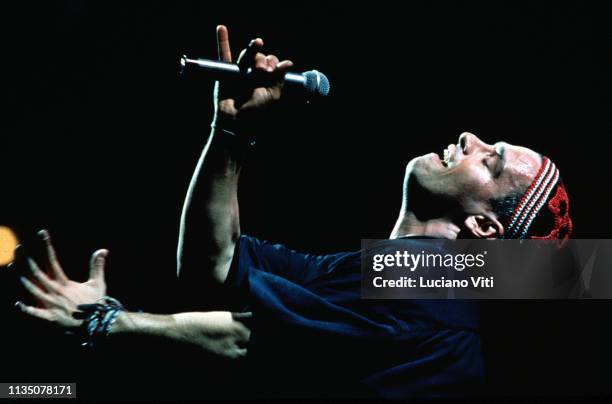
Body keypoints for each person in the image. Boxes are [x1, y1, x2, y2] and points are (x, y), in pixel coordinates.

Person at [13, 25, 572, 398]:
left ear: (483, 227)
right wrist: (229, 130)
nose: (470, 138)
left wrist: (109, 322)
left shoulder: (429, 293)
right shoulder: (377, 276)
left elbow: (247, 338)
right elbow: (215, 266)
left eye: (491, 162)